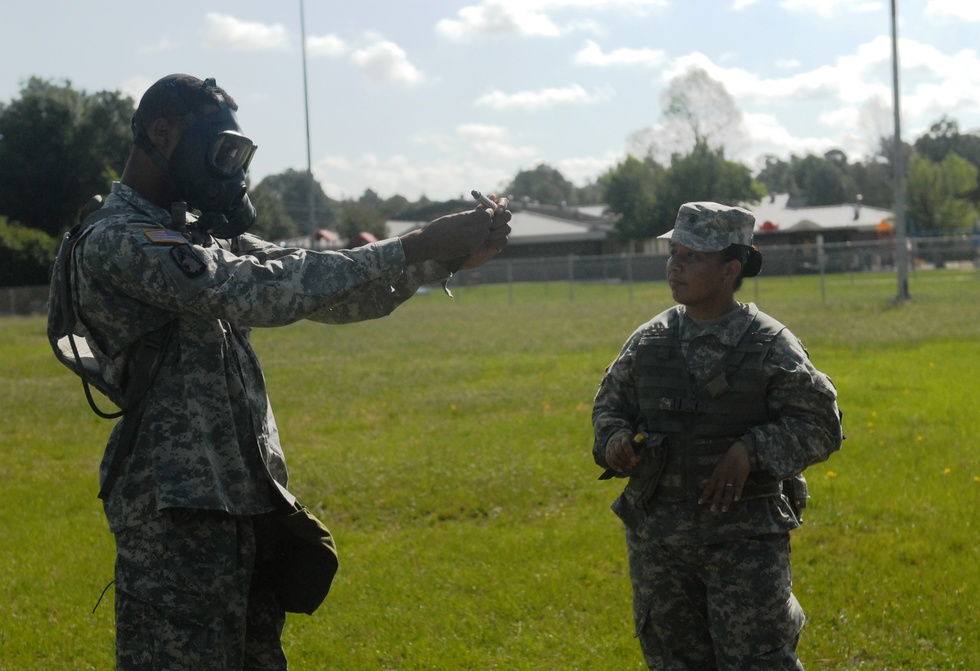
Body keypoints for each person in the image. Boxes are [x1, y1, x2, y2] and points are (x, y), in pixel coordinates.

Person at [53, 73, 511, 670]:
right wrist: (411, 245)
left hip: (244, 501)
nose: (232, 169)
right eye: (223, 151)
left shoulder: (194, 234)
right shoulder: (116, 239)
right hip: (174, 512)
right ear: (161, 134)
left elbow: (320, 288)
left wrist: (437, 258)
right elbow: (256, 292)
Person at [591, 202, 842, 670]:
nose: (675, 265)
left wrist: (753, 449)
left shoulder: (768, 344)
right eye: (674, 252)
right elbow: (609, 407)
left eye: (692, 256)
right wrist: (615, 440)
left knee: (758, 661)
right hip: (659, 546)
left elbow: (821, 425)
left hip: (744, 547)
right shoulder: (649, 340)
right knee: (672, 661)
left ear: (730, 269)